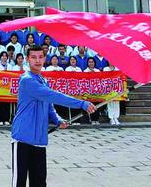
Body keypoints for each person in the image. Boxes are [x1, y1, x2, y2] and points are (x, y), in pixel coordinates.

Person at [10, 45, 97, 187]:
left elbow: (49, 106)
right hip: (22, 138)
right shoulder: (27, 79)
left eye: (40, 57)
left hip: (39, 139)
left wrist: (58, 120)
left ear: (45, 58)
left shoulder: (43, 81)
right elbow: (53, 96)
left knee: (39, 182)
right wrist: (81, 104)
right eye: (33, 57)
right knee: (19, 182)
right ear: (27, 59)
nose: (37, 60)